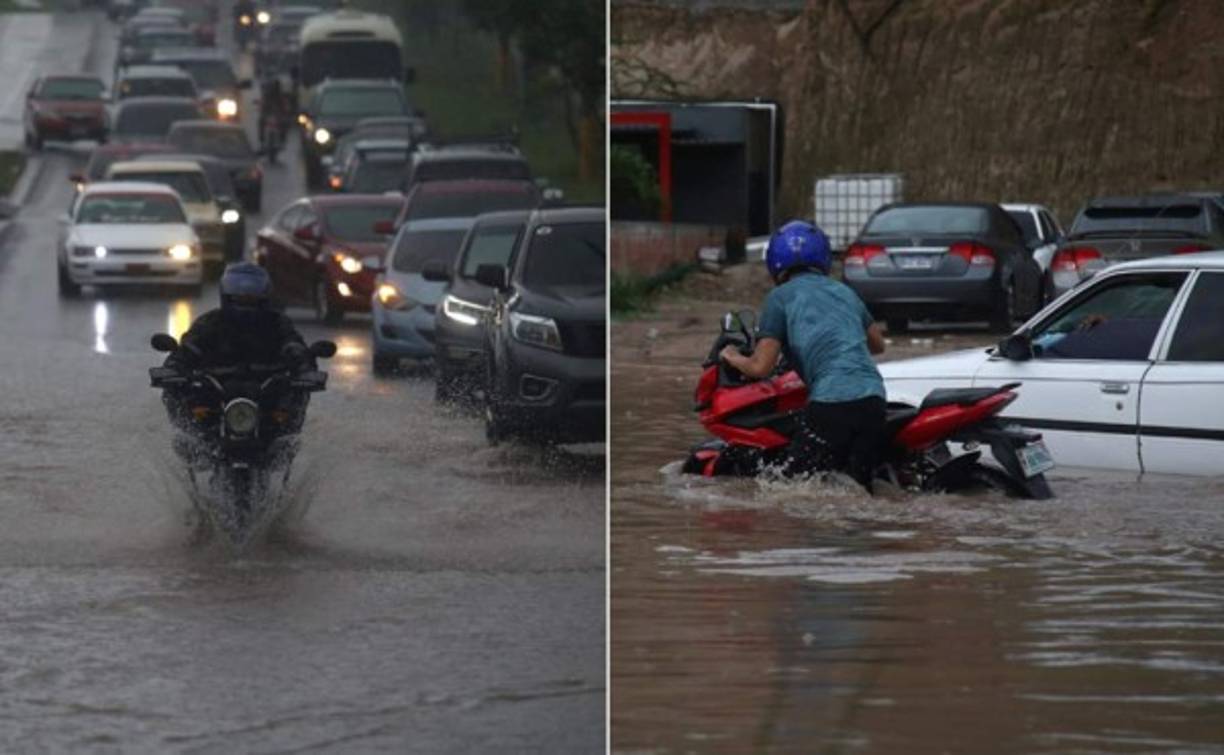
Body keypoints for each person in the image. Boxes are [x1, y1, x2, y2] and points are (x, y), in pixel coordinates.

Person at [720, 221, 887, 490]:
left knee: (791, 487)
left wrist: (732, 356)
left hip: (831, 402)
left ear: (774, 262)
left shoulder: (780, 297)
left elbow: (761, 366)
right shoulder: (844, 291)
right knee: (859, 488)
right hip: (874, 400)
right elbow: (878, 345)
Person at [163, 263, 311, 432]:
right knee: (178, 392)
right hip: (214, 394)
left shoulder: (277, 324)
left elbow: (293, 345)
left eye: (251, 299)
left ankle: (285, 435)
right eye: (239, 298)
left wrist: (304, 366)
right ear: (227, 297)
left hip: (267, 395)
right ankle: (191, 435)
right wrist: (174, 366)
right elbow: (189, 348)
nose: (245, 302)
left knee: (294, 395)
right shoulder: (210, 323)